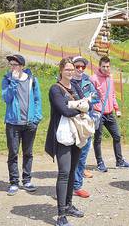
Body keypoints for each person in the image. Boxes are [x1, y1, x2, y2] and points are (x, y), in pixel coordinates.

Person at [45, 57, 90, 226]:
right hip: (62, 135)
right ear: (61, 71)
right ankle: (61, 215)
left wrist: (77, 105)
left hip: (76, 134)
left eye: (72, 69)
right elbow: (63, 110)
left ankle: (69, 205)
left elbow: (89, 105)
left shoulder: (77, 86)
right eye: (68, 70)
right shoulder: (55, 89)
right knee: (64, 173)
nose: (71, 72)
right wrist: (80, 106)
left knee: (72, 171)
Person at [2, 54, 42, 196]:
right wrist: (13, 81)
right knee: (13, 153)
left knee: (28, 153)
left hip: (30, 123)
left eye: (16, 64)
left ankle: (27, 180)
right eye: (11, 64)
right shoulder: (7, 79)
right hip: (13, 123)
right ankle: (13, 182)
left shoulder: (32, 80)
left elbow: (37, 99)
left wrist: (37, 117)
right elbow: (6, 98)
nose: (13, 67)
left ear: (22, 66)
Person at [90, 56, 129, 172]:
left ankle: (119, 161)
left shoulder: (110, 78)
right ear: (99, 66)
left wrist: (116, 108)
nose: (105, 68)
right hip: (98, 113)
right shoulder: (93, 79)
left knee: (117, 136)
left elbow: (113, 94)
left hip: (109, 113)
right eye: (103, 66)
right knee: (98, 138)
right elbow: (90, 97)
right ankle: (100, 163)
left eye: (107, 66)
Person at [70, 56, 99, 198]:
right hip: (71, 122)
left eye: (83, 67)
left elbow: (97, 97)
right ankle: (67, 185)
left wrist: (88, 100)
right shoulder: (66, 82)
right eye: (77, 67)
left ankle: (77, 185)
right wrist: (79, 102)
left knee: (82, 156)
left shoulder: (88, 81)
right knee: (69, 156)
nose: (80, 69)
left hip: (86, 123)